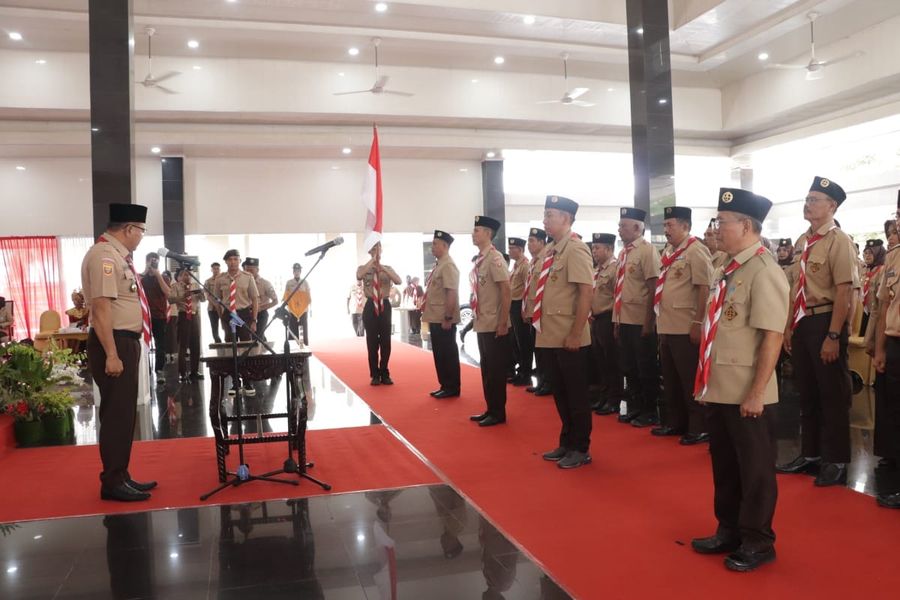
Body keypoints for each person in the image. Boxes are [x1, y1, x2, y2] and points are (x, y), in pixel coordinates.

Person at [690, 187, 787, 572]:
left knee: (756, 469)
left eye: (722, 222)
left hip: (749, 392)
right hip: (719, 386)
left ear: (745, 226)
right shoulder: (724, 266)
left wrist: (757, 392)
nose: (717, 228)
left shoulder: (764, 270)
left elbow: (773, 336)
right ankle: (728, 529)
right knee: (725, 465)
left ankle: (758, 540)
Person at [777, 176, 859, 487]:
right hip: (801, 322)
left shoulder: (839, 241)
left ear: (832, 206)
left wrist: (834, 335)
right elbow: (794, 287)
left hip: (825, 321)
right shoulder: (803, 241)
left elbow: (843, 292)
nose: (807, 204)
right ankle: (810, 453)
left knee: (832, 394)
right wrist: (787, 327)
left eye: (815, 200)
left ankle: (835, 459)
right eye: (807, 198)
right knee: (806, 392)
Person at [81, 202, 157, 502]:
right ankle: (111, 481)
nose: (141, 236)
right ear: (128, 229)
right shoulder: (104, 257)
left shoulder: (117, 256)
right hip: (113, 342)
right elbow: (100, 308)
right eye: (141, 231)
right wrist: (112, 354)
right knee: (116, 415)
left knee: (124, 414)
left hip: (125, 341)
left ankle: (121, 474)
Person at [536, 196, 594, 469]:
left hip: (569, 335)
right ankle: (567, 441)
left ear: (566, 219)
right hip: (550, 335)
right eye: (545, 215)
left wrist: (576, 332)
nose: (545, 220)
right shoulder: (552, 250)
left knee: (576, 394)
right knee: (560, 392)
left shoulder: (576, 249)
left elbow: (585, 293)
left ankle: (581, 448)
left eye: (550, 215)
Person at [652, 206, 713, 445]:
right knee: (671, 378)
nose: (666, 230)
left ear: (685, 226)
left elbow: (704, 288)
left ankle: (698, 426)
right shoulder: (669, 252)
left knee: (689, 378)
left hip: (686, 325)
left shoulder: (696, 250)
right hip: (667, 324)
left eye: (670, 225)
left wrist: (698, 322)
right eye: (665, 225)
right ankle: (676, 422)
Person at [614, 206, 662, 427]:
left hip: (640, 321)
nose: (619, 229)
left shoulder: (647, 250)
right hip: (624, 319)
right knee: (629, 367)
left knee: (645, 368)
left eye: (623, 226)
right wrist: (616, 321)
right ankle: (635, 407)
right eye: (619, 225)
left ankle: (650, 410)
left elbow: (654, 288)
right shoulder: (624, 253)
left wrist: (649, 322)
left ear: (636, 227)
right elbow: (620, 290)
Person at [468, 215, 511, 427]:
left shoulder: (495, 258)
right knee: (486, 368)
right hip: (482, 321)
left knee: (495, 370)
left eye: (477, 230)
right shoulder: (481, 259)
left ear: (488, 234)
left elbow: (506, 290)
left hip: (494, 322)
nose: (473, 234)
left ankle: (498, 411)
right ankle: (490, 408)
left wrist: (503, 322)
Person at [873, 192, 900, 508]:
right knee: (894, 411)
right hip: (894, 343)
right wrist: (879, 349)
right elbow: (883, 306)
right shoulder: (893, 256)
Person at [422, 230, 461, 398]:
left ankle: (452, 387)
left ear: (445, 246)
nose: (432, 247)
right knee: (439, 353)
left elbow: (451, 292)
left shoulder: (448, 265)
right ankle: (445, 384)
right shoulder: (440, 265)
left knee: (447, 353)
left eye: (435, 244)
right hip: (435, 316)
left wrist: (448, 317)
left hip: (443, 317)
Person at [357, 242, 402, 385]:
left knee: (385, 342)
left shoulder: (387, 268)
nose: (377, 250)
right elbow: (359, 275)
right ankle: (374, 374)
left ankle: (384, 372)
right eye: (374, 248)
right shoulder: (364, 268)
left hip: (384, 304)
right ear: (370, 251)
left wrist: (381, 268)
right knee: (372, 342)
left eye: (379, 247)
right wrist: (372, 261)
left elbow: (398, 280)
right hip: (370, 305)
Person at [590, 233, 624, 415]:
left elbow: (618, 297)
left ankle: (614, 399)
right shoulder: (597, 270)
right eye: (593, 248)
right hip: (596, 319)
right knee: (600, 361)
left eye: (598, 248)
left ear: (609, 249)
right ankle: (603, 396)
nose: (594, 251)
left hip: (608, 318)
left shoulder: (615, 268)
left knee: (612, 362)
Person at [523, 228, 551, 395]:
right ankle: (541, 380)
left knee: (544, 350)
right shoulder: (534, 262)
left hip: (542, 313)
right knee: (537, 349)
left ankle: (548, 382)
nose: (529, 245)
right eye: (528, 241)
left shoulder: (546, 260)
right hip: (534, 313)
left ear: (542, 243)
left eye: (532, 241)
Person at [169, 267, 204, 381]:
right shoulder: (175, 286)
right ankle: (182, 373)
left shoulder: (196, 285)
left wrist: (202, 293)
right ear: (179, 276)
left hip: (194, 315)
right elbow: (171, 299)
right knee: (183, 345)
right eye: (184, 274)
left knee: (195, 344)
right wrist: (184, 295)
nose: (187, 276)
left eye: (189, 274)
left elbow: (203, 300)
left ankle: (194, 371)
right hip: (183, 315)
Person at [141, 251, 171, 382]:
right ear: (146, 261)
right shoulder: (141, 278)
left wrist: (157, 274)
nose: (153, 263)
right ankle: (145, 371)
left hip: (159, 316)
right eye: (151, 261)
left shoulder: (163, 277)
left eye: (155, 261)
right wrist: (145, 271)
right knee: (145, 344)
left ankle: (159, 371)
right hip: (144, 316)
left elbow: (168, 292)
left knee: (160, 345)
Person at [507, 236, 532, 385]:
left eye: (512, 248)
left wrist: (525, 309)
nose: (509, 251)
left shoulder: (525, 266)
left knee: (524, 341)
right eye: (509, 248)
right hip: (513, 304)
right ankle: (521, 371)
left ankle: (526, 373)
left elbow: (527, 290)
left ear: (520, 250)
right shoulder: (516, 265)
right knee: (516, 341)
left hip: (520, 305)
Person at [244, 258, 278, 341]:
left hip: (260, 314)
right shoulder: (242, 282)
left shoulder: (265, 283)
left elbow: (275, 301)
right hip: (246, 313)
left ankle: (261, 351)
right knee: (247, 337)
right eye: (246, 270)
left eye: (251, 270)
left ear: (257, 270)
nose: (248, 272)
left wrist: (261, 308)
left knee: (258, 337)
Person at [860, 239, 886, 336]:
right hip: (862, 312)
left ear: (878, 254)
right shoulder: (863, 269)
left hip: (876, 314)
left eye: (871, 253)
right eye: (865, 253)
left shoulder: (883, 270)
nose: (867, 255)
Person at [285, 263, 312, 345]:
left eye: (298, 271)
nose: (296, 272)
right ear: (293, 272)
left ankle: (304, 346)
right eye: (295, 271)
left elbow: (308, 297)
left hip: (303, 310)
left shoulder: (305, 282)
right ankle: (293, 346)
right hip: (292, 310)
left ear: (300, 272)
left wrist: (309, 309)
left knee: (303, 328)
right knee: (293, 328)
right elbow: (286, 296)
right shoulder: (289, 283)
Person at [204, 262, 223, 344]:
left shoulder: (223, 280)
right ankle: (218, 342)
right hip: (212, 308)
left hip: (223, 307)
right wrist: (215, 304)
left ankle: (228, 342)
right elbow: (206, 295)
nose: (216, 270)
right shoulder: (208, 281)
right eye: (214, 268)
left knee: (226, 326)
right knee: (214, 327)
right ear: (211, 270)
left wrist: (219, 304)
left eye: (217, 268)